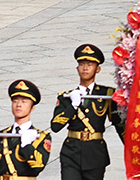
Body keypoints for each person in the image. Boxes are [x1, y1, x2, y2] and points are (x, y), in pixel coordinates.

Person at [50, 44, 124, 180]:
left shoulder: (107, 94)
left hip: (95, 153)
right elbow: (55, 126)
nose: (85, 68)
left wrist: (132, 148)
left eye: (90, 64)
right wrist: (73, 105)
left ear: (98, 69)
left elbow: (118, 123)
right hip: (71, 153)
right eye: (82, 64)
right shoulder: (66, 96)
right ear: (77, 68)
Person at [0, 80, 51, 178]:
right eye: (15, 101)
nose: (18, 104)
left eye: (24, 101)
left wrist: (27, 145)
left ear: (32, 108)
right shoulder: (2, 135)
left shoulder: (41, 137)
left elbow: (38, 166)